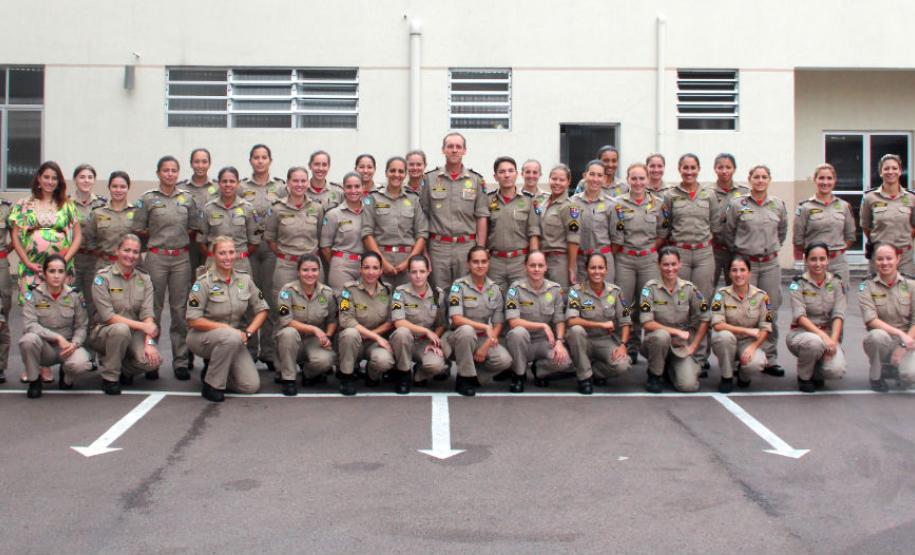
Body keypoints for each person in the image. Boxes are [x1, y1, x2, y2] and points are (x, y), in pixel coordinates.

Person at [131, 155, 197, 380]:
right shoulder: (147, 199)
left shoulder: (187, 198)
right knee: (153, 309)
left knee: (180, 311)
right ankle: (152, 360)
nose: (170, 174)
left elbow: (193, 228)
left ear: (178, 173)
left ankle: (180, 360)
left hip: (180, 258)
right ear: (158, 173)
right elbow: (138, 228)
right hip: (156, 258)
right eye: (166, 170)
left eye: (174, 170)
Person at [187, 236, 268, 402]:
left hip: (235, 339)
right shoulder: (203, 283)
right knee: (230, 336)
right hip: (202, 337)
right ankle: (212, 386)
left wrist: (249, 333)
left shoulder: (244, 280)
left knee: (250, 386)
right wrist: (228, 330)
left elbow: (262, 309)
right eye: (222, 253)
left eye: (231, 252)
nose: (228, 257)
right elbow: (193, 320)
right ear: (213, 255)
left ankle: (213, 371)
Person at [723, 164, 787, 375]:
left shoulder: (778, 205)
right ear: (749, 179)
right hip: (745, 264)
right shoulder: (737, 204)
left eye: (764, 177)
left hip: (769, 264)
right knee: (741, 311)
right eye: (756, 177)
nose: (760, 180)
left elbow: (782, 232)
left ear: (769, 180)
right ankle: (737, 357)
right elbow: (729, 233)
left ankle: (770, 357)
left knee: (770, 310)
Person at [661, 154, 719, 370]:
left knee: (701, 305)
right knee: (679, 304)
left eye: (693, 167)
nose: (689, 171)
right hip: (680, 254)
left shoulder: (709, 195)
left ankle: (701, 355)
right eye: (685, 167)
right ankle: (677, 352)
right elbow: (665, 226)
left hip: (703, 254)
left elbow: (715, 226)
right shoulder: (670, 196)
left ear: (699, 169)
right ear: (679, 169)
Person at [90, 234, 161, 394]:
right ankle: (110, 377)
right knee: (120, 329)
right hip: (106, 332)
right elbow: (109, 317)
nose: (131, 255)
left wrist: (149, 343)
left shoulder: (145, 279)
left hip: (134, 331)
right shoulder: (102, 278)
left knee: (153, 362)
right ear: (117, 251)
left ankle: (122, 367)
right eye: (126, 250)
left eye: (135, 252)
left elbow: (148, 313)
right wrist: (144, 326)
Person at [420, 132, 489, 292]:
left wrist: (480, 249)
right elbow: (422, 215)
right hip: (438, 247)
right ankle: (442, 319)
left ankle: (462, 319)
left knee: (465, 291)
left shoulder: (476, 180)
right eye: (450, 146)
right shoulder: (429, 179)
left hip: (466, 247)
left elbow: (482, 217)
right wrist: (424, 250)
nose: (454, 150)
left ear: (464, 151)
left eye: (458, 147)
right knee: (440, 292)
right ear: (443, 150)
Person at [609, 163, 663, 364]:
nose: (638, 182)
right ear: (628, 180)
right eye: (634, 178)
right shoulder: (618, 204)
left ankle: (645, 346)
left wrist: (648, 250)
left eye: (642, 178)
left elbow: (662, 233)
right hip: (625, 259)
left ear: (648, 179)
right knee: (624, 305)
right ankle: (625, 345)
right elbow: (615, 235)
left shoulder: (658, 204)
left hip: (649, 259)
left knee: (647, 305)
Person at [240, 144, 286, 372]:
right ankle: (250, 349)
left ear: (270, 160)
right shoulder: (241, 187)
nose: (260, 161)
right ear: (250, 161)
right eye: (256, 157)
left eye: (264, 157)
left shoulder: (280, 187)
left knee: (268, 299)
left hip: (269, 250)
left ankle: (268, 350)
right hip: (248, 250)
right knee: (249, 298)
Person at [10, 161, 82, 305]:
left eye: (54, 178)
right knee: (33, 308)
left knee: (59, 307)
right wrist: (27, 262)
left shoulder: (67, 205)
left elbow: (78, 236)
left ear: (59, 181)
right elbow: (15, 237)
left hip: (60, 270)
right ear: (39, 178)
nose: (50, 181)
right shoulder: (24, 205)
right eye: (46, 177)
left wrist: (64, 261)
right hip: (33, 268)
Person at [19, 254, 91, 399]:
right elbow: (30, 325)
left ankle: (66, 377)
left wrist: (75, 344)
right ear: (44, 274)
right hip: (44, 347)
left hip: (68, 347)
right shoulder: (33, 294)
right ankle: (34, 381)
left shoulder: (75, 295)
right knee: (28, 340)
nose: (56, 276)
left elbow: (81, 326)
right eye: (52, 271)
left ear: (66, 274)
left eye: (60, 271)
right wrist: (56, 337)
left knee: (82, 364)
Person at [639, 247, 710, 393]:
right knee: (661, 335)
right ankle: (655, 375)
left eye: (673, 264)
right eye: (665, 264)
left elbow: (705, 317)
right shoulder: (649, 289)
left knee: (688, 386)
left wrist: (693, 346)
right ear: (658, 265)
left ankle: (670, 368)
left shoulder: (690, 289)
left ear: (680, 264)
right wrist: (675, 331)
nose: (670, 268)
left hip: (680, 346)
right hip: (656, 343)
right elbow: (647, 322)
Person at [446, 246, 512, 396]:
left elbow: (498, 323)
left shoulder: (494, 289)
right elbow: (456, 320)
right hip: (458, 338)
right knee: (467, 330)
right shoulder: (459, 286)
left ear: (489, 263)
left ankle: (475, 377)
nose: (480, 265)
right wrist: (483, 326)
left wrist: (486, 346)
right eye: (475, 262)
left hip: (482, 338)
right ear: (468, 264)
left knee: (504, 360)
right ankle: (465, 379)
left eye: (483, 261)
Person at [504, 251, 571, 393]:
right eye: (532, 265)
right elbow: (513, 322)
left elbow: (559, 320)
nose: (536, 269)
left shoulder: (555, 289)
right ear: (525, 267)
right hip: (522, 342)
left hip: (544, 342)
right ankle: (519, 375)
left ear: (546, 267)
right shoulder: (515, 289)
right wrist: (543, 325)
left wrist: (559, 342)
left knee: (564, 361)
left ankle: (539, 369)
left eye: (540, 265)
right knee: (518, 332)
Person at [566, 253, 632, 394]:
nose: (597, 271)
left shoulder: (616, 292)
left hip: (605, 341)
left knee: (623, 365)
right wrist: (600, 325)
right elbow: (571, 320)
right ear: (587, 269)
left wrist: (623, 345)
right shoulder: (575, 291)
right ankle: (584, 378)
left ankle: (594, 371)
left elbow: (626, 321)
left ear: (606, 270)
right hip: (583, 341)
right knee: (575, 330)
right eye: (593, 268)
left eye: (601, 268)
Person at [786, 242, 847, 393]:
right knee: (814, 342)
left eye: (822, 259)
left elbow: (838, 315)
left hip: (828, 335)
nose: (818, 263)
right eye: (813, 259)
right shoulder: (798, 284)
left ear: (828, 260)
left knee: (835, 371)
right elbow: (800, 316)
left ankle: (819, 369)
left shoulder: (837, 282)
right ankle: (804, 377)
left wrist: (832, 341)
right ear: (806, 260)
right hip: (802, 335)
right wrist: (822, 337)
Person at [274, 254, 337, 396]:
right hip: (290, 340)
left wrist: (327, 336)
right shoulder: (286, 291)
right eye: (305, 270)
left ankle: (308, 373)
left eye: (314, 270)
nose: (310, 274)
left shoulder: (326, 293)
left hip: (313, 340)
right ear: (298, 271)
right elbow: (286, 320)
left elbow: (333, 320)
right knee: (288, 333)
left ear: (319, 271)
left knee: (327, 360)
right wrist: (314, 329)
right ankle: (288, 379)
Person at [362, 157, 428, 288]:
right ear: (386, 173)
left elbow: (422, 233)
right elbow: (366, 233)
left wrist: (409, 262)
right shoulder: (373, 198)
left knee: (407, 303)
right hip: (380, 260)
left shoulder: (414, 199)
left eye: (400, 171)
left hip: (407, 260)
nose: (396, 175)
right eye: (392, 171)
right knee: (381, 304)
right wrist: (382, 262)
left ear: (405, 174)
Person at [335, 251, 395, 396]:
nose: (370, 272)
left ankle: (372, 374)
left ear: (381, 271)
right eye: (366, 267)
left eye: (375, 268)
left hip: (374, 342)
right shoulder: (347, 290)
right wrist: (375, 336)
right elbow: (346, 319)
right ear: (360, 269)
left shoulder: (388, 290)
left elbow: (391, 321)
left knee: (384, 361)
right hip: (353, 341)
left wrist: (372, 336)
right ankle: (347, 377)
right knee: (350, 333)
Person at [858, 243, 915, 392]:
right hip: (884, 339)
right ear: (874, 261)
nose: (885, 263)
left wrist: (903, 345)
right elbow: (871, 319)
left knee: (910, 375)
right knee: (877, 336)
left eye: (889, 258)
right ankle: (877, 375)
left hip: (907, 341)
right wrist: (900, 334)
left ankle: (897, 370)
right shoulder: (866, 286)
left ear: (898, 258)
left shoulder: (911, 285)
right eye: (880, 259)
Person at [709, 255, 770, 393]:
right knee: (723, 337)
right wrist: (746, 330)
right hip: (729, 339)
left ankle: (744, 376)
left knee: (757, 363)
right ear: (729, 273)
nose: (738, 274)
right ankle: (727, 377)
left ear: (749, 273)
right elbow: (718, 324)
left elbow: (766, 328)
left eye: (742, 270)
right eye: (734, 270)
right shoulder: (721, 295)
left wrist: (753, 347)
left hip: (748, 343)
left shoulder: (762, 296)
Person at [390, 255, 450, 394]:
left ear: (429, 271)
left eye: (422, 271)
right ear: (409, 273)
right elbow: (399, 322)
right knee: (402, 332)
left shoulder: (437, 294)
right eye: (414, 272)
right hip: (405, 342)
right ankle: (403, 374)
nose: (418, 276)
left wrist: (434, 340)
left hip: (424, 343)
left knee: (436, 365)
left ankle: (419, 374)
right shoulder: (400, 292)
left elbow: (441, 324)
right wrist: (426, 330)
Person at [793, 164, 856, 285]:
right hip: (814, 263)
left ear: (834, 180)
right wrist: (816, 254)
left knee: (840, 300)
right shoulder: (805, 207)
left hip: (838, 263)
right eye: (821, 178)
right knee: (813, 300)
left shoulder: (844, 206)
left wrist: (834, 252)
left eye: (829, 178)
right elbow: (798, 240)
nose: (825, 182)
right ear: (815, 179)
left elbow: (850, 237)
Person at [485, 156, 539, 291]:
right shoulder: (487, 200)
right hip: (495, 262)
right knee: (495, 302)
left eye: (510, 171)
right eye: (502, 172)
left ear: (517, 174)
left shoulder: (529, 200)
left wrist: (533, 261)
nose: (507, 175)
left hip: (520, 262)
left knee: (521, 302)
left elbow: (533, 233)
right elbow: (483, 231)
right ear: (495, 176)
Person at [197, 166, 259, 275]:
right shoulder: (208, 208)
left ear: (238, 183)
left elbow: (254, 242)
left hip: (240, 264)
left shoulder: (248, 208)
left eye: (232, 181)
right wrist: (215, 256)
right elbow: (201, 241)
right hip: (214, 264)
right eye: (224, 181)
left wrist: (238, 255)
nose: (228, 185)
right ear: (219, 183)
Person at [860, 154, 914, 275]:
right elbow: (866, 226)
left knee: (905, 292)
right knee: (877, 291)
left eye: (894, 168)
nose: (891, 172)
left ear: (900, 171)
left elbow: (913, 226)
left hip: (904, 258)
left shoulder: (911, 198)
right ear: (880, 172)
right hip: (880, 256)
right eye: (886, 168)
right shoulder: (870, 197)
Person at [533, 164, 581, 289]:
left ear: (568, 182)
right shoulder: (542, 202)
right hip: (541, 260)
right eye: (554, 179)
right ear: (549, 179)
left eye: (562, 180)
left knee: (559, 300)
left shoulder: (570, 207)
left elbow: (573, 240)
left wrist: (571, 268)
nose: (557, 183)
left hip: (559, 262)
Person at [71, 164, 106, 325]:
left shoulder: (101, 204)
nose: (86, 180)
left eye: (90, 177)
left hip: (94, 259)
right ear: (75, 179)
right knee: (72, 299)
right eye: (82, 177)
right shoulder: (66, 203)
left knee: (94, 300)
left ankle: (93, 343)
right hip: (73, 259)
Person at [321, 172, 366, 291]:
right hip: (342, 266)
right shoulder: (333, 214)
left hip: (366, 267)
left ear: (363, 188)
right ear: (343, 189)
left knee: (363, 305)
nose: (353, 190)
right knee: (344, 305)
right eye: (349, 187)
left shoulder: (370, 212)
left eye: (357, 186)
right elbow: (325, 247)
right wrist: (337, 265)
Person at [710, 154, 749, 287]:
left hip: (736, 250)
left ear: (734, 169)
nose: (724, 171)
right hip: (713, 249)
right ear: (715, 169)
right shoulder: (707, 192)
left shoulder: (745, 193)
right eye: (720, 167)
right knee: (707, 289)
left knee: (736, 289)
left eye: (728, 167)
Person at [87, 171, 138, 272]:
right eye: (114, 186)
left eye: (123, 187)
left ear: (128, 188)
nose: (118, 190)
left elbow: (142, 241)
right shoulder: (97, 213)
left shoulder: (137, 213)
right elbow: (90, 241)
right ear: (109, 187)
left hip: (131, 267)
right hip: (105, 266)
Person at [571, 160, 614, 284]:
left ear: (605, 178)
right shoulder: (572, 202)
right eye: (592, 174)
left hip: (603, 261)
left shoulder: (611, 204)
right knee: (581, 299)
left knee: (605, 298)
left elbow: (616, 238)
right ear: (585, 176)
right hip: (580, 260)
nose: (595, 179)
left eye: (600, 175)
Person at [181, 148, 218, 281]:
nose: (200, 165)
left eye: (204, 161)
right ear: (191, 163)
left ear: (209, 163)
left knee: (210, 278)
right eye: (196, 162)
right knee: (187, 279)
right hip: (188, 240)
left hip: (210, 240)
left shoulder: (218, 187)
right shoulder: (181, 189)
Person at [0, 191, 11, 384]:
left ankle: (0, 366)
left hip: (0, 265)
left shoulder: (6, 208)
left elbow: (17, 236)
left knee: (2, 316)